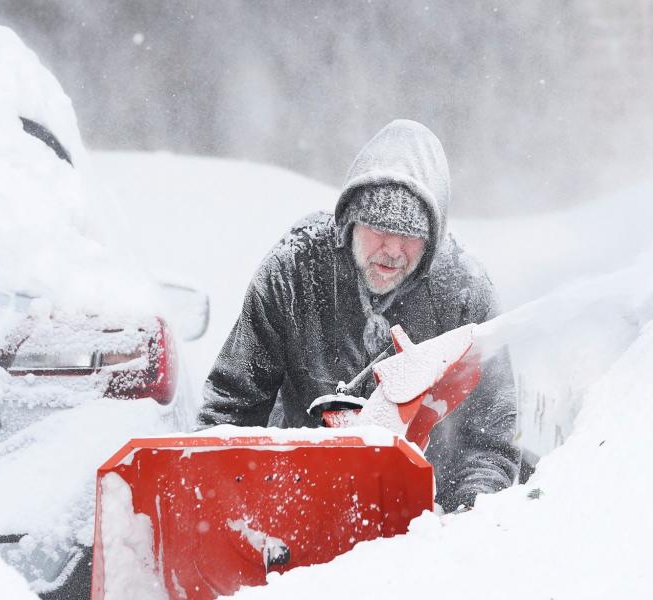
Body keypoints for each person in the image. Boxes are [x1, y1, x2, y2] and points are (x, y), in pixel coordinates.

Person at [198, 119, 519, 512]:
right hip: (298, 500)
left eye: (411, 235)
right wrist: (223, 506)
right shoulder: (293, 272)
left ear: (434, 238)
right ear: (350, 221)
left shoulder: (465, 295)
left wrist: (461, 520)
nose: (393, 249)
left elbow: (491, 443)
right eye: (379, 229)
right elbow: (232, 406)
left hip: (423, 518)